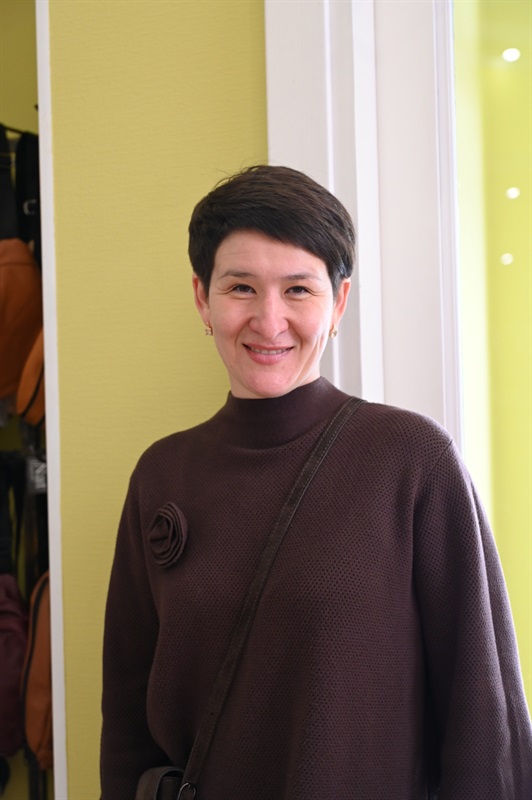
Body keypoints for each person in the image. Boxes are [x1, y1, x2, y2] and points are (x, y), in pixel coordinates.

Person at [100, 165, 532, 800]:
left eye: (298, 289)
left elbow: (482, 720)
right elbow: (126, 721)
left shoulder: (412, 460)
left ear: (339, 303)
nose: (269, 320)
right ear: (202, 298)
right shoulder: (161, 474)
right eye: (241, 287)